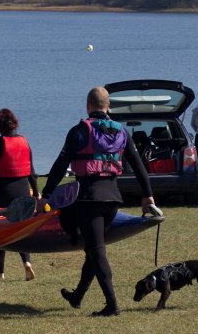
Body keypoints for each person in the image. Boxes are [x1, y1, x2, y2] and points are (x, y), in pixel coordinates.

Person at [37, 87, 156, 317]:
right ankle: (78, 295)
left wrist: (46, 195)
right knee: (93, 249)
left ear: (88, 106)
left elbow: (60, 164)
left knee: (97, 250)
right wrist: (147, 195)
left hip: (88, 199)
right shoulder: (121, 132)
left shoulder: (80, 131)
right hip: (112, 199)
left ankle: (112, 305)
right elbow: (139, 165)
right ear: (108, 106)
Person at [0, 108, 39, 281]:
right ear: (14, 124)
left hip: (3, 193)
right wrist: (36, 193)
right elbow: (32, 172)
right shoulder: (24, 142)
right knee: (21, 229)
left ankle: (0, 273)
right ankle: (27, 263)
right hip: (23, 191)